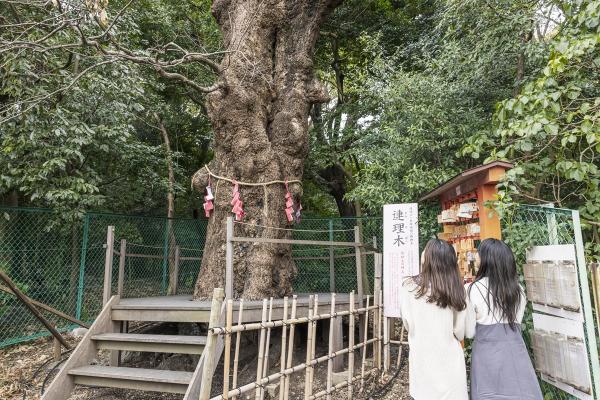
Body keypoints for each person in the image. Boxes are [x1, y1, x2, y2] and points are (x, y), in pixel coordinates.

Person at [466, 238, 542, 400]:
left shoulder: (474, 289)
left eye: (479, 254)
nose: (477, 257)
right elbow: (518, 321)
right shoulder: (518, 290)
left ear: (487, 258)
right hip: (516, 354)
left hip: (487, 355)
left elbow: (470, 332)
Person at [399, 239, 469, 400]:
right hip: (450, 361)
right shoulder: (457, 289)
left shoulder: (408, 287)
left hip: (423, 359)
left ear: (427, 258)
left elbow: (408, 324)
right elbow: (459, 332)